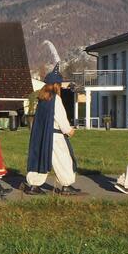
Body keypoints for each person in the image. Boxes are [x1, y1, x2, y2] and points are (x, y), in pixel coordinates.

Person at [23, 65, 79, 195]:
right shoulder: (55, 100)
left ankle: (34, 185)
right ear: (55, 85)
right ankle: (66, 185)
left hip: (42, 135)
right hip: (55, 136)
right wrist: (68, 130)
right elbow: (60, 118)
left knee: (40, 157)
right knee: (63, 159)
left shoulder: (42, 99)